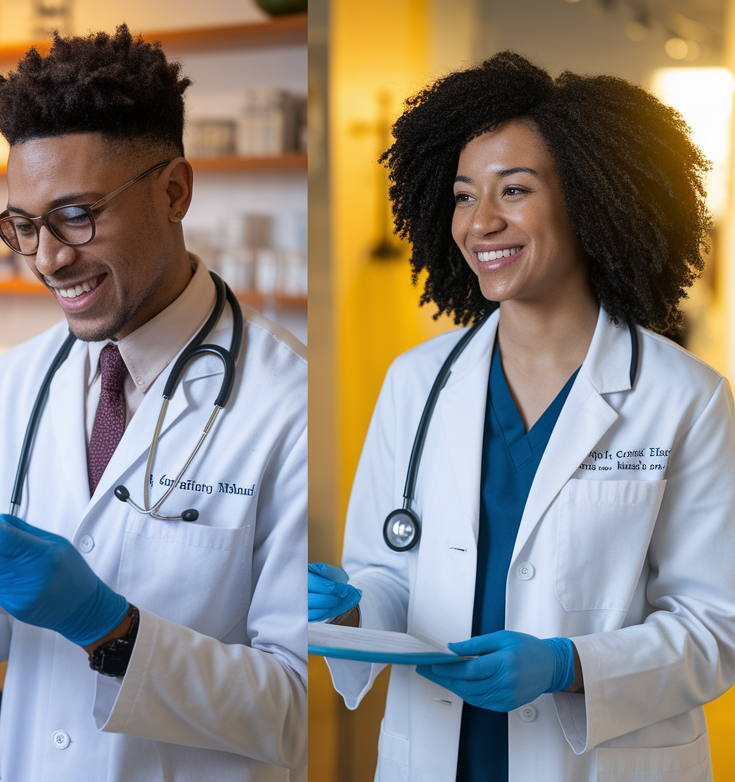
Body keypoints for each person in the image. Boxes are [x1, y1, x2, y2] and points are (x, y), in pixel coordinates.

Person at [0, 26, 308, 781]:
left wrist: (109, 629)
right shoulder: (20, 379)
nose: (48, 257)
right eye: (25, 224)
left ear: (174, 190)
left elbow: (300, 710)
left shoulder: (293, 403)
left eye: (77, 215)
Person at [309, 51, 735, 781]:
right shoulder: (416, 383)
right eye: (464, 195)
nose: (482, 223)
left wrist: (569, 666)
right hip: (437, 755)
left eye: (514, 190)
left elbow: (718, 626)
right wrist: (346, 610)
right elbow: (388, 576)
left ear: (592, 199)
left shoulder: (685, 398)